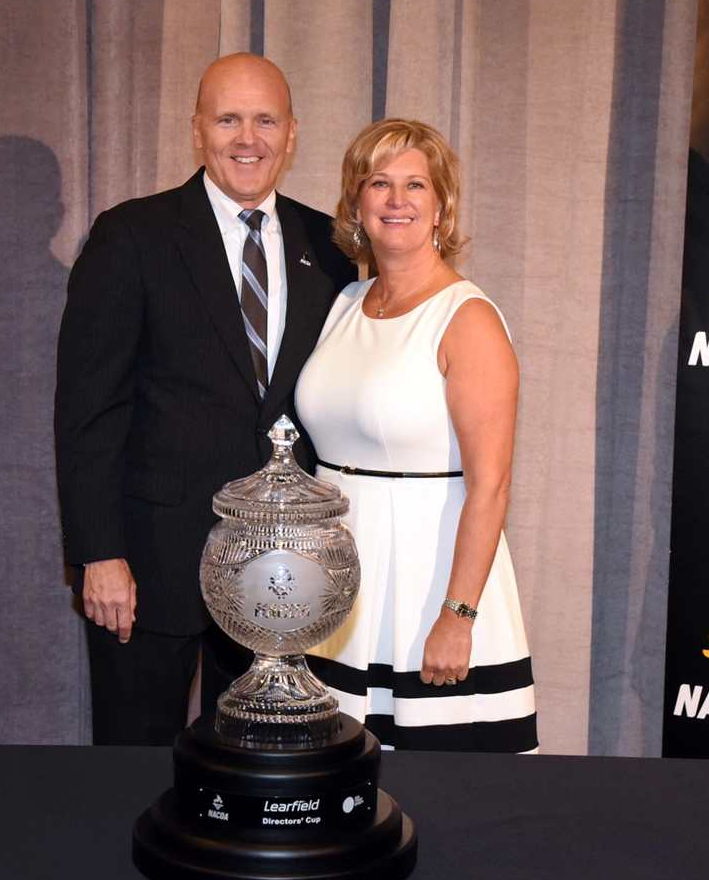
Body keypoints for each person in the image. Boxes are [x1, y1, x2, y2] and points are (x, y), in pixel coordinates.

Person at [55, 53, 355, 745]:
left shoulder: (331, 247)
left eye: (264, 120)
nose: (246, 138)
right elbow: (87, 412)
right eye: (227, 119)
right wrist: (99, 551)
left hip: (280, 570)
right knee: (133, 763)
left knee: (255, 765)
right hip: (152, 561)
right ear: (197, 131)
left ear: (292, 133)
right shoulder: (131, 236)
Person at [295, 118, 537, 752]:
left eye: (415, 186)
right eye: (379, 183)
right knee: (338, 790)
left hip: (429, 584)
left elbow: (491, 487)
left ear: (440, 207)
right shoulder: (346, 302)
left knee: (443, 796)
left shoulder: (469, 318)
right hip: (339, 581)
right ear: (356, 203)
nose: (396, 201)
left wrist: (457, 618)